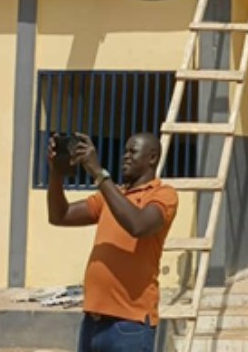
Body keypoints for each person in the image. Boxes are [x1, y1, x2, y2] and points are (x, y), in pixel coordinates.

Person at [47, 132, 178, 352]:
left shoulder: (164, 195)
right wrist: (56, 173)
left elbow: (138, 225)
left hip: (130, 324)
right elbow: (60, 216)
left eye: (133, 152)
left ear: (152, 158)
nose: (125, 156)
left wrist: (99, 174)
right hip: (93, 323)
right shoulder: (112, 195)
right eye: (125, 151)